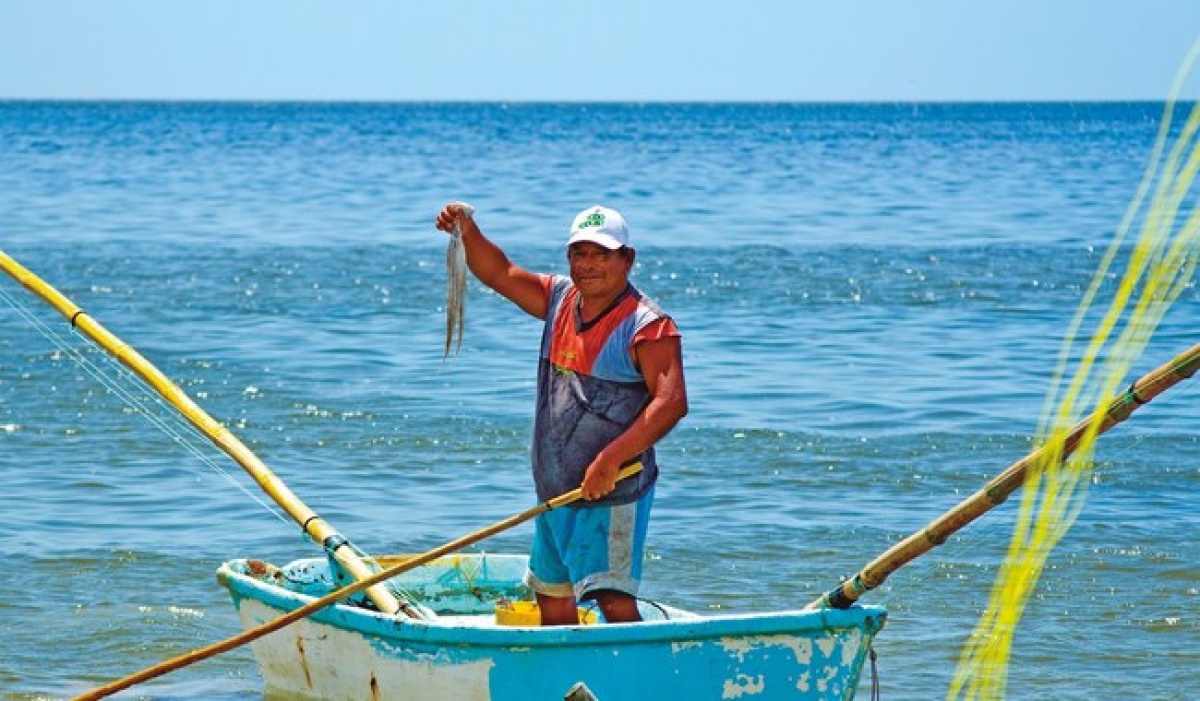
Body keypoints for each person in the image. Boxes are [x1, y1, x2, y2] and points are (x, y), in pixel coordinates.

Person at [434, 202, 688, 625]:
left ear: (628, 258)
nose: (588, 265)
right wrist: (467, 229)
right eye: (579, 254)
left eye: (602, 254)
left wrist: (610, 460)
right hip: (555, 489)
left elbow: (672, 401)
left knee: (613, 602)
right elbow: (500, 272)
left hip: (613, 491)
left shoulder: (647, 325)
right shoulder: (559, 299)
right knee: (552, 598)